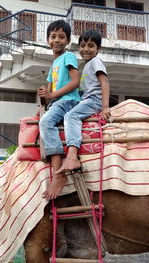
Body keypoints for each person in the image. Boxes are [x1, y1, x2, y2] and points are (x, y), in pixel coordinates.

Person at [57, 29, 111, 175]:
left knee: (71, 116)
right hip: (87, 100)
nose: (86, 49)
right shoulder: (86, 65)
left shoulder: (96, 61)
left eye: (91, 45)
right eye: (82, 45)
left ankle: (72, 156)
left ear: (98, 49)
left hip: (94, 101)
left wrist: (105, 107)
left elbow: (104, 82)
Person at [38, 20, 80, 200]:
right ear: (48, 40)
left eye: (61, 37)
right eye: (53, 36)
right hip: (57, 103)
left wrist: (52, 95)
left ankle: (58, 173)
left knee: (46, 122)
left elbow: (75, 82)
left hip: (69, 101)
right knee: (43, 119)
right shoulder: (53, 65)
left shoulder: (68, 56)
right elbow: (48, 93)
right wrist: (43, 94)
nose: (57, 40)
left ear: (68, 40)